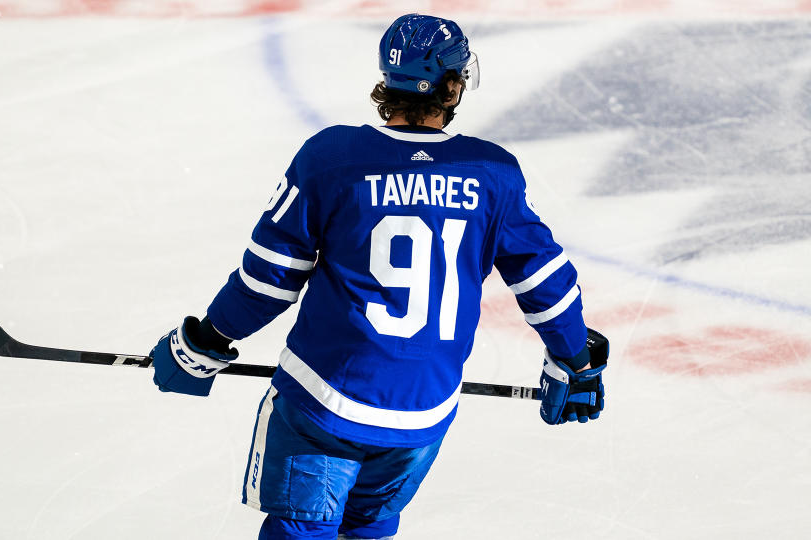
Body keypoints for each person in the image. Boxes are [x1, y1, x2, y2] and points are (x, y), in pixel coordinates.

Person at [150, 13, 608, 540]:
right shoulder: (493, 173)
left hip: (323, 402)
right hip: (421, 416)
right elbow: (545, 286)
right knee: (368, 527)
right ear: (453, 87)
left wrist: (204, 342)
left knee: (300, 531)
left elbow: (268, 280)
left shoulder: (332, 156)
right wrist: (576, 362)